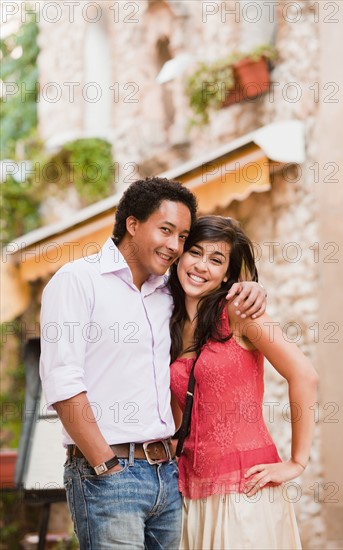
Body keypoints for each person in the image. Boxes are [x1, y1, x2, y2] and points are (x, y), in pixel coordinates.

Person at [39, 178, 267, 550]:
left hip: (167, 473)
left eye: (182, 236)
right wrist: (106, 467)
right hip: (110, 474)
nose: (176, 246)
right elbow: (63, 383)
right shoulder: (78, 282)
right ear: (132, 224)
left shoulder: (168, 292)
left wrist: (252, 287)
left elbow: (212, 285)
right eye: (166, 230)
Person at [169, 215, 319, 550]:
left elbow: (304, 375)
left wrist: (297, 462)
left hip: (244, 491)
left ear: (228, 274)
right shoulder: (172, 323)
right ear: (180, 255)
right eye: (195, 252)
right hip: (191, 494)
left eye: (216, 259)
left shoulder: (238, 310)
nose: (201, 265)